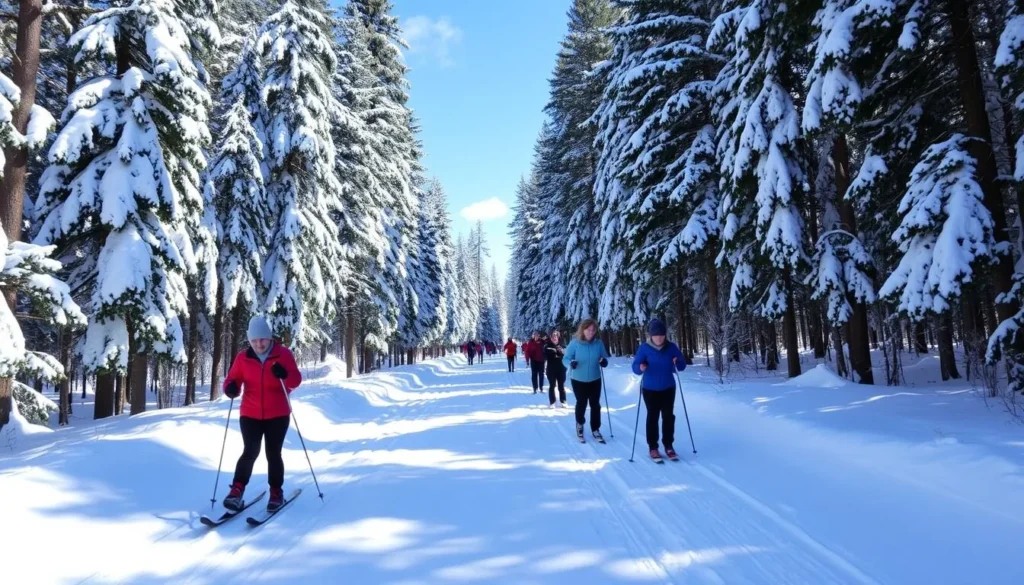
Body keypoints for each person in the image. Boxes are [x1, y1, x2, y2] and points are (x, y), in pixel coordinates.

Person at [222, 316, 302, 512]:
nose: (259, 343)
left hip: (278, 413)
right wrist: (231, 387)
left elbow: (295, 379)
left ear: (269, 338)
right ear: (249, 340)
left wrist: (285, 375)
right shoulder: (243, 357)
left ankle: (276, 492)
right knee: (250, 451)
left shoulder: (283, 354)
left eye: (263, 339)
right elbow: (232, 379)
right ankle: (237, 490)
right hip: (250, 413)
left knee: (273, 454)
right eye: (254, 340)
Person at [632, 318, 686, 461]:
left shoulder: (671, 347)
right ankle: (653, 447)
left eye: (662, 334)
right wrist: (640, 367)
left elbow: (681, 366)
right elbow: (635, 367)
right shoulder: (644, 348)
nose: (659, 337)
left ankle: (668, 445)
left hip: (668, 387)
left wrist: (677, 362)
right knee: (653, 417)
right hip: (650, 389)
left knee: (668, 417)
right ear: (651, 335)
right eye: (656, 334)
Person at [564, 319, 610, 442]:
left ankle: (595, 429)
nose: (591, 332)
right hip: (578, 379)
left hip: (595, 379)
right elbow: (565, 359)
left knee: (595, 405)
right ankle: (580, 424)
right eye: (588, 330)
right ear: (583, 330)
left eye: (593, 330)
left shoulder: (598, 344)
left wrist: (603, 362)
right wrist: (571, 363)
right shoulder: (575, 343)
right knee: (582, 403)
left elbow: (604, 358)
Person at [544, 330, 567, 407]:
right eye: (553, 336)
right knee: (552, 386)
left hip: (561, 369)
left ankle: (563, 401)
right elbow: (545, 355)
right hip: (551, 370)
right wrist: (554, 352)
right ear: (551, 338)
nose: (554, 337)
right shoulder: (547, 346)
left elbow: (566, 356)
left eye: (556, 336)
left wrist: (561, 352)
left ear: (558, 337)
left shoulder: (562, 346)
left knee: (561, 385)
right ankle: (552, 402)